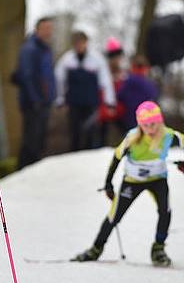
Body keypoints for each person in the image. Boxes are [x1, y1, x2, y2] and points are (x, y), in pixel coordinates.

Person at [72, 101, 184, 267]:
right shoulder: (132, 138)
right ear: (140, 124)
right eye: (146, 125)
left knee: (165, 211)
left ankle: (158, 249)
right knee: (115, 215)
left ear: (160, 122)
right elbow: (116, 158)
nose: (150, 129)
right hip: (132, 181)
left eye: (154, 124)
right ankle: (95, 249)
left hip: (158, 179)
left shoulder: (168, 135)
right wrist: (108, 183)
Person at [55, 31, 115, 151]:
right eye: (76, 43)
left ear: (86, 43)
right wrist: (60, 100)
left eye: (81, 43)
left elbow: (106, 81)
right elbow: (59, 80)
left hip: (91, 103)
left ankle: (88, 160)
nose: (79, 46)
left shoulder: (97, 59)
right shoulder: (67, 60)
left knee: (90, 134)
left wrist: (110, 102)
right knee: (74, 134)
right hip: (74, 103)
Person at [14, 17, 56, 169]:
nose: (48, 32)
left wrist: (52, 97)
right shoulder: (30, 49)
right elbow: (26, 75)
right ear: (37, 29)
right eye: (45, 28)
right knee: (31, 140)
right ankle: (23, 172)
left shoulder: (47, 49)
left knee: (40, 141)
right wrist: (35, 100)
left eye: (50, 28)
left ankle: (33, 172)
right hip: (33, 103)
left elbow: (49, 76)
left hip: (45, 101)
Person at [117, 54, 160, 131]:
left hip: (129, 119)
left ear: (133, 66)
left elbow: (120, 96)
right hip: (146, 121)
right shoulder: (151, 85)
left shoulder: (128, 81)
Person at [98, 37, 126, 146]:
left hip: (119, 110)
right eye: (114, 57)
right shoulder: (104, 72)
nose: (116, 59)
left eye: (118, 56)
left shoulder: (123, 73)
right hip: (105, 109)